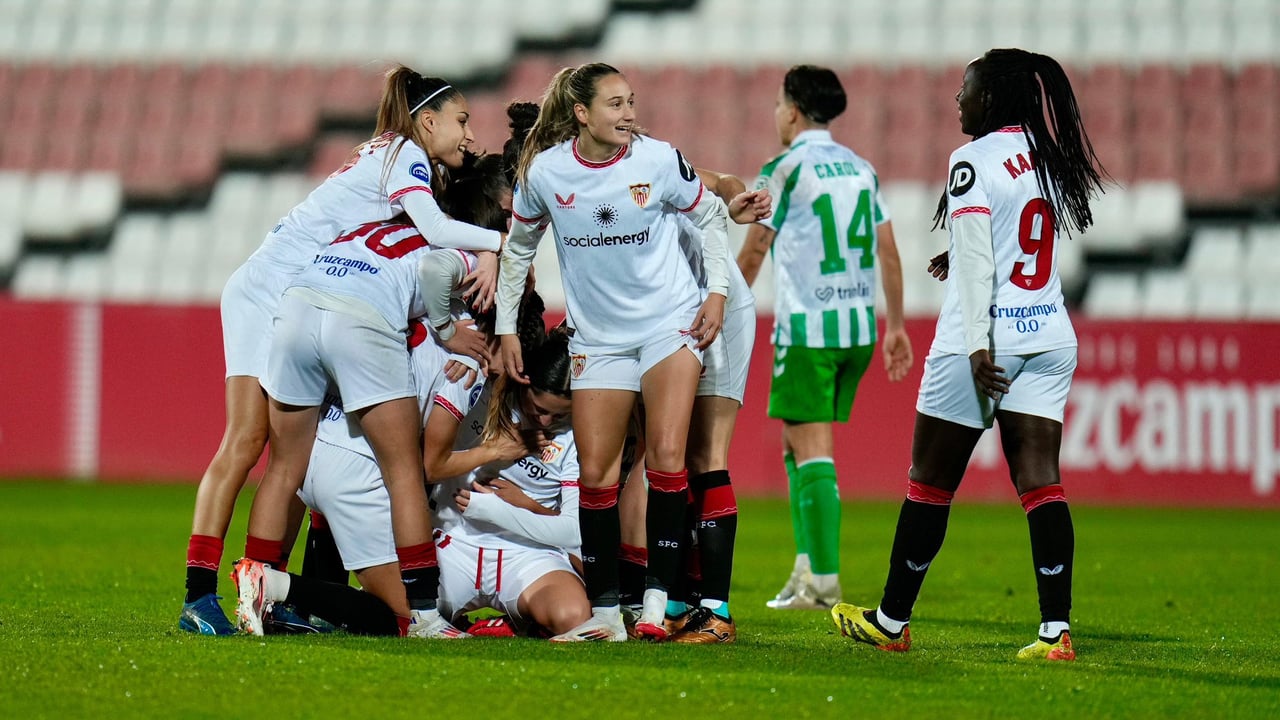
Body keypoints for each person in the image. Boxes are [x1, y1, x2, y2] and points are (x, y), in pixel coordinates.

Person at [180, 65, 500, 634]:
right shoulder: (408, 153)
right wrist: (504, 244)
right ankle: (200, 595)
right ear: (427, 120)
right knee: (249, 442)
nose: (470, 134)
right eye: (462, 120)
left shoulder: (388, 149)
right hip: (276, 287)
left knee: (295, 456)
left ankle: (274, 599)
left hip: (298, 290)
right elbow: (433, 229)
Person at [831, 48, 1108, 662]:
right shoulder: (1043, 152)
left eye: (967, 88)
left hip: (981, 343)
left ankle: (890, 621)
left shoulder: (971, 159)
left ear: (992, 100)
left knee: (929, 482)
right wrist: (959, 251)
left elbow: (986, 259)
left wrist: (981, 346)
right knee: (1042, 482)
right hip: (1049, 333)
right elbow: (1020, 232)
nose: (958, 99)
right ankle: (1054, 631)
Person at [495, 62, 734, 641]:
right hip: (598, 338)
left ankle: (656, 604)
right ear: (582, 114)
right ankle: (606, 613)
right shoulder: (547, 173)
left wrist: (718, 292)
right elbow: (518, 249)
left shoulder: (658, 159)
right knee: (598, 474)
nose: (629, 114)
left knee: (666, 457)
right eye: (616, 104)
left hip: (668, 325)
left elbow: (710, 214)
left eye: (631, 102)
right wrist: (506, 328)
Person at [737, 65, 913, 611]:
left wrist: (724, 311)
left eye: (776, 104)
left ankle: (825, 584)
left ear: (792, 110)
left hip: (809, 330)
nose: (774, 115)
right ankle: (807, 564)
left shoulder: (782, 168)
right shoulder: (861, 167)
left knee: (811, 449)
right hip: (858, 328)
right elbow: (887, 250)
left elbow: (755, 250)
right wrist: (898, 326)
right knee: (796, 444)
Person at [615, 168, 770, 644]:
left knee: (705, 456)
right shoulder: (578, 184)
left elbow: (719, 181)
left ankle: (718, 613)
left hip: (713, 306)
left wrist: (734, 199)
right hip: (658, 318)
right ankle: (679, 605)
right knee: (667, 457)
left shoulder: (653, 164)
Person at [431, 327, 595, 639]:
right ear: (525, 382)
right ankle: (493, 624)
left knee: (573, 616)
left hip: (527, 555)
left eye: (559, 416)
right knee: (404, 608)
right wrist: (494, 449)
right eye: (541, 409)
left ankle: (514, 622)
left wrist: (504, 508)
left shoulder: (577, 435)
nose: (546, 422)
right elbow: (430, 465)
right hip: (455, 540)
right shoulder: (481, 390)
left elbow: (573, 530)